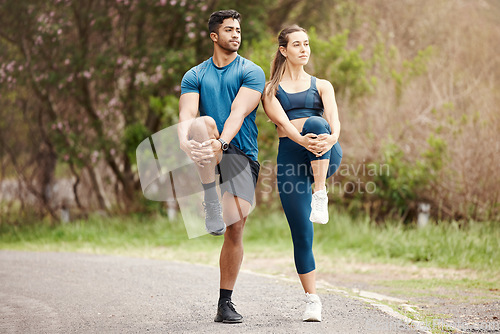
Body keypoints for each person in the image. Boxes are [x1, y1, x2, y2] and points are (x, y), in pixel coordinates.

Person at [177, 10, 265, 323]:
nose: (236, 35)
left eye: (238, 29)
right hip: (207, 147)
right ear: (214, 36)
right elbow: (187, 116)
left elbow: (238, 114)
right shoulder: (195, 74)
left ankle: (224, 303)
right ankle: (209, 197)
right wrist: (182, 138)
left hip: (240, 151)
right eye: (229, 30)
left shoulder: (252, 71)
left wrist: (223, 144)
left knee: (236, 226)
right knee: (202, 122)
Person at [262, 25, 343, 322]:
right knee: (302, 235)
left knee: (318, 125)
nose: (304, 49)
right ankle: (312, 300)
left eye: (307, 44)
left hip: (326, 154)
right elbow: (283, 124)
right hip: (291, 160)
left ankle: (319, 193)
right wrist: (302, 138)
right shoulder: (270, 90)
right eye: (297, 45)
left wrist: (328, 138)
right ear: (284, 50)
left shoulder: (323, 85)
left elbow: (334, 125)